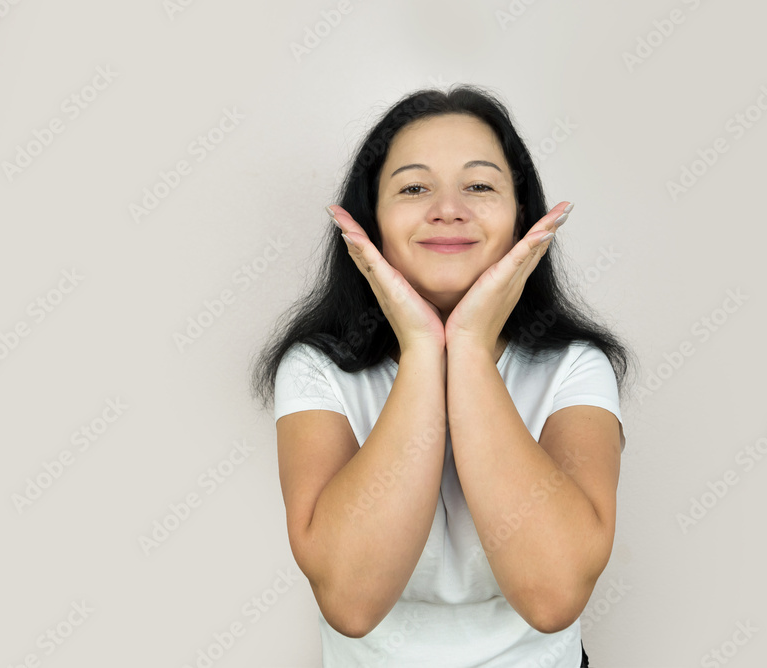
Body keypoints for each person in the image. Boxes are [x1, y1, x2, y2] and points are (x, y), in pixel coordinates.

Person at [250, 84, 632, 667]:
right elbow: (351, 603)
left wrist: (471, 348)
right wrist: (423, 350)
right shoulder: (316, 368)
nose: (448, 209)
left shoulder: (575, 366)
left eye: (479, 186)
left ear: (521, 217)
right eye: (413, 187)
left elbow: (553, 596)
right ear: (371, 221)